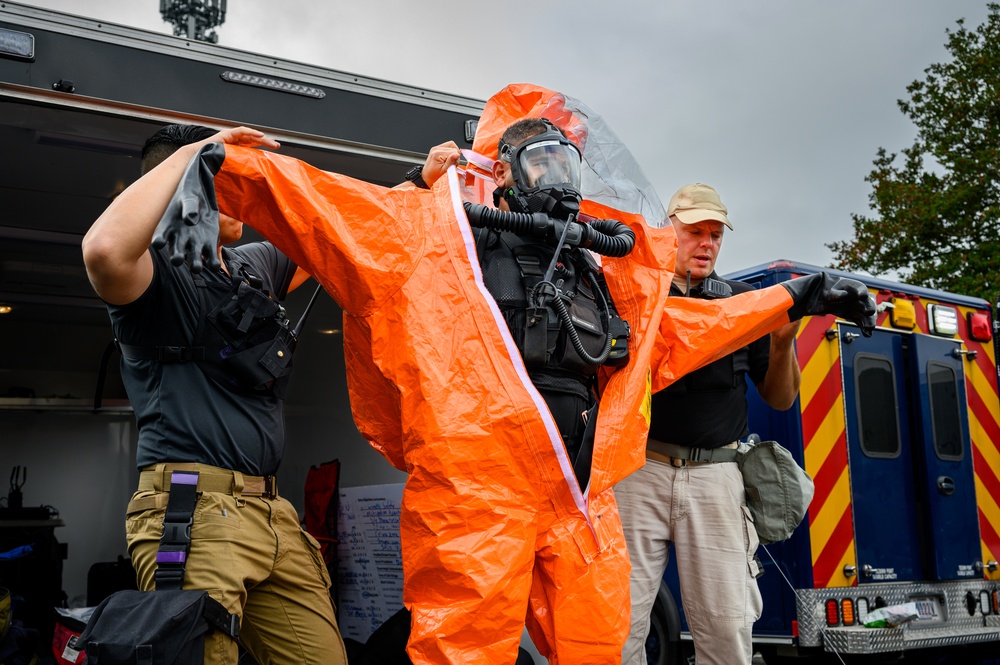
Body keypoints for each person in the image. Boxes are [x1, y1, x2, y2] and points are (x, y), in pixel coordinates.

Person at [148, 83, 875, 665]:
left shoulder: (598, 269)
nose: (556, 170)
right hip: (474, 499)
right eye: (537, 154)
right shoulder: (432, 242)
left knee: (599, 648)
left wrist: (797, 295)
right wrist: (205, 173)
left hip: (578, 499)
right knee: (465, 650)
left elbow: (680, 329)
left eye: (565, 156)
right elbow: (322, 204)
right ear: (496, 164)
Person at [81, 124, 347, 665]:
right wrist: (191, 154)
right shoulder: (155, 278)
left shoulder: (251, 267)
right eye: (226, 179)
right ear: (184, 190)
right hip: (194, 513)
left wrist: (419, 184)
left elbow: (335, 233)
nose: (243, 193)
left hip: (272, 514)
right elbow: (103, 250)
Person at [617, 183, 803, 665]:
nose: (707, 244)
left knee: (727, 629)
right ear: (668, 232)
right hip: (640, 472)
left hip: (718, 478)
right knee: (618, 626)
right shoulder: (635, 293)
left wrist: (782, 342)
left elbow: (780, 399)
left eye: (716, 235)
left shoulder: (744, 303)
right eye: (695, 231)